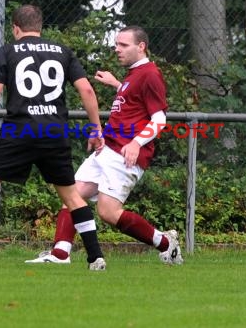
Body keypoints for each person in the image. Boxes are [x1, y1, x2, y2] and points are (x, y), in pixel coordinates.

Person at [0, 4, 107, 271]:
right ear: (41, 27)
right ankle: (96, 256)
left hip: (20, 129)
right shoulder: (62, 52)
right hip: (54, 132)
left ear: (15, 28)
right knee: (71, 197)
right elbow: (87, 92)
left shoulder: (8, 51)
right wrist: (96, 128)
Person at [25, 25, 183, 266]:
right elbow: (134, 102)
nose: (116, 49)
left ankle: (165, 243)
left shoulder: (150, 73)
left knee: (108, 212)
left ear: (141, 47)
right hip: (107, 148)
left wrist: (136, 143)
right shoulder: (134, 74)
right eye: (116, 44)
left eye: (123, 45)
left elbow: (159, 119)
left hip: (124, 154)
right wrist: (117, 84)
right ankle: (60, 253)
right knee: (72, 196)